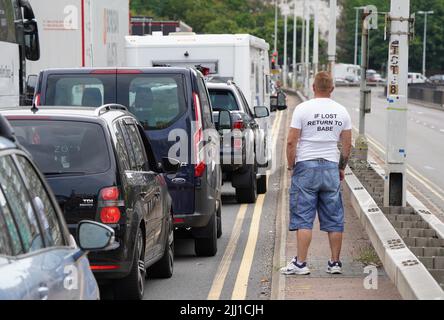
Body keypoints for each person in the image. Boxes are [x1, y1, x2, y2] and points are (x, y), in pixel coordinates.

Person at [281, 71, 352, 275]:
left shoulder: (302, 109)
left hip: (306, 166)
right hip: (330, 166)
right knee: (334, 217)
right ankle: (335, 263)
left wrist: (291, 166)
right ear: (332, 89)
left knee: (304, 217)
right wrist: (341, 168)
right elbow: (347, 144)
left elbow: (291, 141)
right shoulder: (342, 111)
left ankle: (301, 264)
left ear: (313, 87)